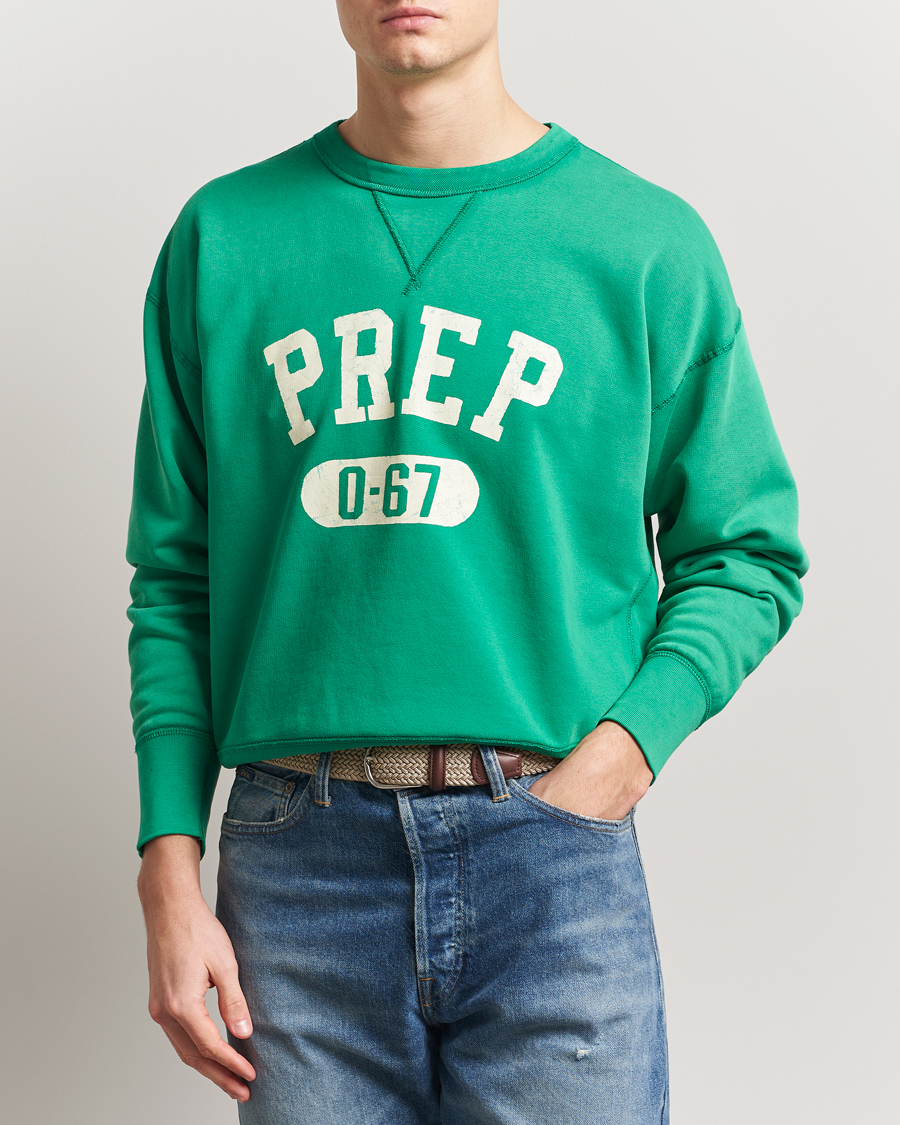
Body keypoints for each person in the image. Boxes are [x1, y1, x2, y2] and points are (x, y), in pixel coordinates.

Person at [129, 3, 808, 1122]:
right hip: (297, 871)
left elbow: (747, 552)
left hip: (552, 855)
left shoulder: (643, 243)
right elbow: (175, 578)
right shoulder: (225, 238)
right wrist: (166, 859)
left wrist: (619, 758)